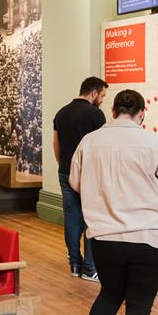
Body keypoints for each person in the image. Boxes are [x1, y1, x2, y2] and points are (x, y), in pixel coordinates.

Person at [70, 89, 158, 315]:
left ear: (112, 112)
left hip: (106, 237)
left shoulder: (90, 142)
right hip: (151, 239)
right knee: (139, 305)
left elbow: (75, 182)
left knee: (109, 295)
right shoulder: (154, 143)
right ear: (142, 114)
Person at [53, 76, 108, 282]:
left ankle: (74, 264)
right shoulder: (95, 114)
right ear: (93, 93)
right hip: (88, 174)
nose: (102, 99)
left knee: (71, 217)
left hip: (65, 171)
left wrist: (63, 165)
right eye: (102, 95)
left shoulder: (62, 112)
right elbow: (102, 147)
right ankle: (90, 267)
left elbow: (56, 144)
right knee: (91, 218)